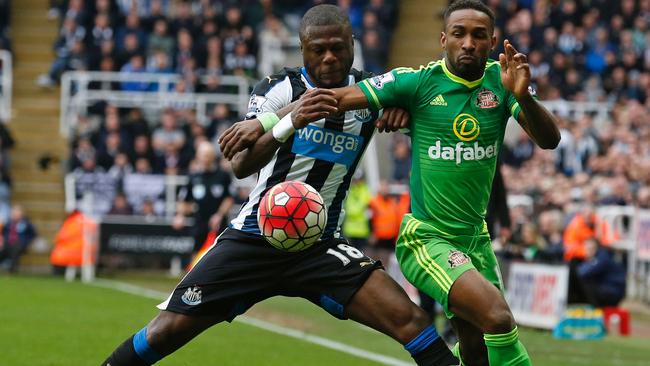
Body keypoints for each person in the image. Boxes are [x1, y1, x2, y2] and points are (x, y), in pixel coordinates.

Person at [102, 5, 457, 366]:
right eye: (318, 50)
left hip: (322, 244)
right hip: (255, 237)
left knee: (411, 320)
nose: (330, 57)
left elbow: (423, 100)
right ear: (303, 49)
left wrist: (403, 110)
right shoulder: (278, 89)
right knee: (166, 330)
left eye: (338, 47)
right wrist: (290, 121)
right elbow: (241, 165)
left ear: (353, 44)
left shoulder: (371, 92)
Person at [231, 1, 561, 364]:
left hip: (475, 239)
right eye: (459, 34)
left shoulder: (502, 83)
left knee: (475, 345)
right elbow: (333, 98)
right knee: (498, 318)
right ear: (443, 39)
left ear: (492, 41)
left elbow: (549, 139)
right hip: (428, 237)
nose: (468, 43)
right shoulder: (416, 82)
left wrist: (522, 97)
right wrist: (264, 123)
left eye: (479, 35)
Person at [173, 141, 234, 253]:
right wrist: (180, 215)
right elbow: (183, 200)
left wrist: (219, 215)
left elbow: (229, 198)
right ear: (198, 156)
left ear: (213, 156)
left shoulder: (223, 175)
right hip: (199, 222)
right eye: (203, 155)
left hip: (219, 223)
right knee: (197, 253)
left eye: (208, 155)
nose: (206, 158)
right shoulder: (192, 177)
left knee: (219, 253)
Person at [572, 237, 626, 307]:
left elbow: (582, 273)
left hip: (613, 292)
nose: (588, 251)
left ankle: (593, 308)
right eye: (586, 249)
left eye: (591, 249)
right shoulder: (602, 255)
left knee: (584, 280)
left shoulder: (602, 257)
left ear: (596, 248)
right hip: (611, 290)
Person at [0, 205, 37, 273]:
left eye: (17, 213)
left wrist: (27, 242)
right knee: (3, 250)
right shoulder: (8, 223)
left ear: (21, 214)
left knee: (15, 249)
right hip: (7, 244)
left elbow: (33, 234)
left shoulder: (26, 223)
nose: (15, 215)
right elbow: (3, 233)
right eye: (13, 213)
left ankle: (12, 270)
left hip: (20, 245)